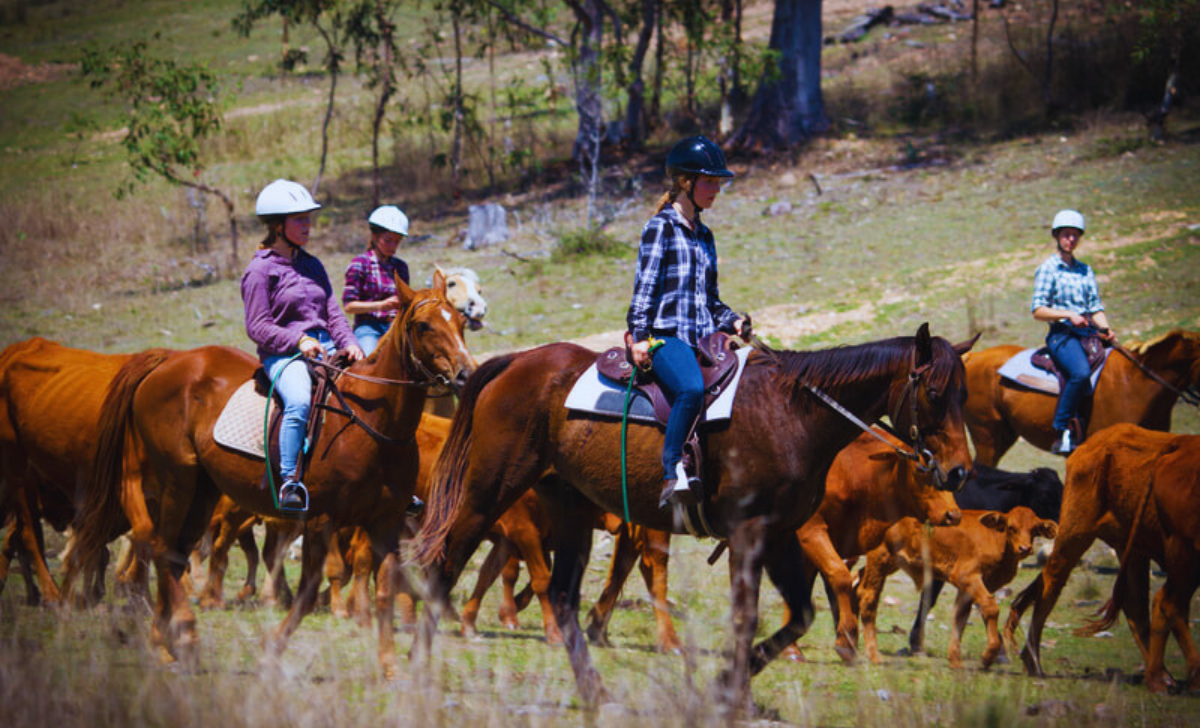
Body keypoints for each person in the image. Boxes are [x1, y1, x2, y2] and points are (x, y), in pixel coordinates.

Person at [626, 135, 751, 508]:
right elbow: (644, 290)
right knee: (691, 390)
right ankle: (672, 471)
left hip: (703, 338)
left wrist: (735, 321)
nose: (716, 189)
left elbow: (710, 300)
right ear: (685, 182)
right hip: (666, 337)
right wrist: (640, 337)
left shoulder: (706, 235)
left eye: (719, 183)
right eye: (709, 181)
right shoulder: (660, 228)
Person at [242, 179, 364, 510]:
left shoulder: (312, 264)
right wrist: (298, 339)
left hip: (327, 350)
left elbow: (334, 313)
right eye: (300, 219)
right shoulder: (259, 271)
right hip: (285, 356)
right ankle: (290, 482)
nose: (308, 225)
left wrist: (351, 343)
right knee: (298, 401)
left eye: (308, 218)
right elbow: (257, 326)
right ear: (278, 226)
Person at [1030, 209, 1116, 456]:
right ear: (1057, 236)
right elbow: (1038, 309)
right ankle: (1062, 430)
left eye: (1075, 235)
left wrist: (1107, 329)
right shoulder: (1048, 269)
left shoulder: (1085, 270)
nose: (1071, 239)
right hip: (1062, 335)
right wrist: (1067, 314)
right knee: (1079, 373)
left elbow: (1096, 308)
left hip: (1088, 332)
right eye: (1066, 235)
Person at [342, 205, 411, 356]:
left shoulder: (401, 267)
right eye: (388, 240)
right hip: (368, 327)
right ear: (374, 236)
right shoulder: (360, 264)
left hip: (396, 325)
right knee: (369, 359)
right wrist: (381, 305)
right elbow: (349, 306)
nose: (393, 246)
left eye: (397, 241)